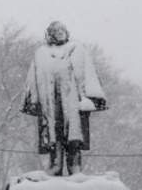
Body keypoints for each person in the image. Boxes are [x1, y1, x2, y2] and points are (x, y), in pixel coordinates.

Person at [22, 21, 107, 175]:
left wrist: (90, 98)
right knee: (54, 138)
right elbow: (33, 80)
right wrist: (32, 100)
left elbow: (87, 75)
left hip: (72, 104)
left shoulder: (77, 49)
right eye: (56, 30)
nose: (60, 33)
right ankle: (56, 166)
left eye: (62, 30)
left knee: (74, 138)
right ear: (50, 34)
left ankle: (75, 167)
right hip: (50, 105)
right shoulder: (41, 53)